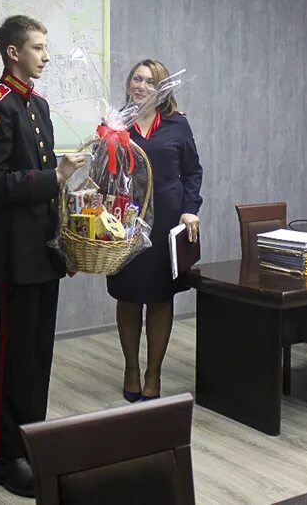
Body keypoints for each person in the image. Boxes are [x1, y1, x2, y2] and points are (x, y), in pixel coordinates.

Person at [0, 15, 86, 498]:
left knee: (39, 354)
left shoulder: (36, 104)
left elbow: (45, 176)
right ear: (12, 52)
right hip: (15, 255)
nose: (45, 55)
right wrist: (55, 177)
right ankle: (5, 454)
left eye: (45, 47)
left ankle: (30, 439)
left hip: (43, 251)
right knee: (13, 355)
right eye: (37, 48)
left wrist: (71, 213)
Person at [106, 60, 203, 402]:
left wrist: (191, 209)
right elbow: (105, 175)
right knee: (128, 295)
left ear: (163, 88)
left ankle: (153, 373)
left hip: (166, 221)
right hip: (126, 220)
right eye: (137, 78)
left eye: (150, 81)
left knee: (160, 297)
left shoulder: (178, 125)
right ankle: (131, 368)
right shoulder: (116, 123)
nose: (141, 85)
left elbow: (192, 172)